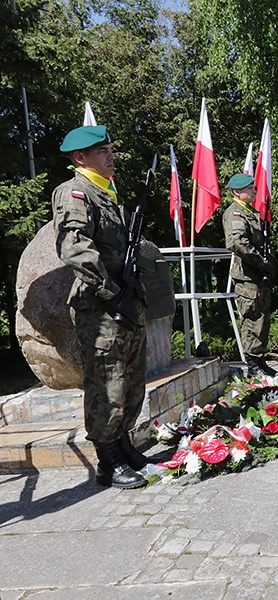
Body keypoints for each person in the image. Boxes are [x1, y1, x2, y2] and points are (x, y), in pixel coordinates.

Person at [52, 125, 149, 488]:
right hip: (100, 306)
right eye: (103, 151)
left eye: (111, 149)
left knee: (131, 380)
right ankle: (107, 462)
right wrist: (111, 292)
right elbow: (74, 249)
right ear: (81, 158)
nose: (112, 156)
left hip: (125, 301)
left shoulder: (109, 193)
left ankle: (123, 445)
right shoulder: (75, 193)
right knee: (106, 383)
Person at [222, 173, 278, 377]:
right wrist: (262, 263)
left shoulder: (250, 213)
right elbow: (237, 243)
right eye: (249, 188)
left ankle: (260, 361)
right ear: (237, 192)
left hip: (256, 276)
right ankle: (253, 366)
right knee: (252, 319)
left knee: (262, 320)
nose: (254, 190)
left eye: (253, 187)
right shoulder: (235, 214)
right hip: (247, 277)